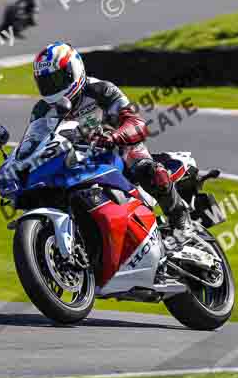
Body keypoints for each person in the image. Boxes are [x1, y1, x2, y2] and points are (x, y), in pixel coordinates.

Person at [29, 41, 193, 234]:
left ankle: (180, 221)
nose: (52, 88)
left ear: (73, 71)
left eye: (56, 80)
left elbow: (137, 123)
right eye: (46, 83)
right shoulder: (41, 110)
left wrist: (113, 136)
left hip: (119, 150)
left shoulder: (101, 90)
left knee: (149, 170)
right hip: (76, 160)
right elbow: (36, 143)